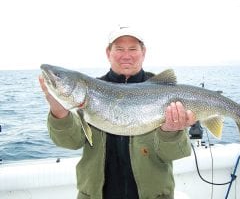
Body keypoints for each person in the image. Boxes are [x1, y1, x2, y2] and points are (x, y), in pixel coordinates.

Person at [39, 25, 196, 199]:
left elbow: (175, 154)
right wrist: (58, 109)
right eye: (119, 49)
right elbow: (71, 143)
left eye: (133, 49)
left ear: (143, 52)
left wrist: (171, 132)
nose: (126, 55)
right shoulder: (89, 96)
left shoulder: (166, 93)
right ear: (108, 53)